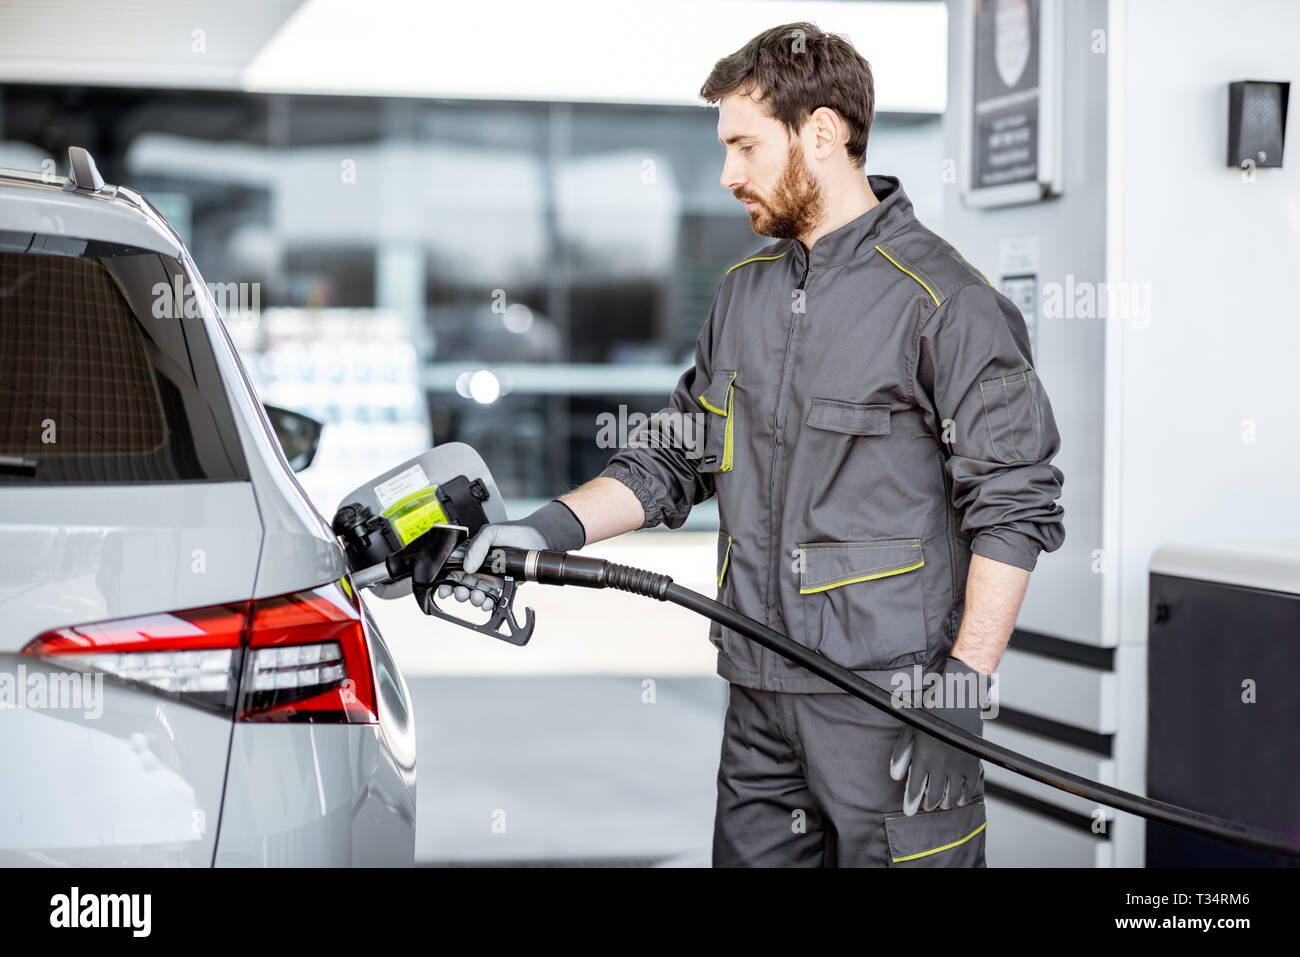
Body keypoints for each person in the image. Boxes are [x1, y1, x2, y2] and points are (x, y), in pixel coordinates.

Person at [437, 21, 1065, 867]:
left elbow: (1014, 505)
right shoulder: (743, 295)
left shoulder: (945, 302)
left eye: (744, 146)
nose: (728, 175)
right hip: (760, 699)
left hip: (889, 703)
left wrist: (961, 685)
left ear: (822, 133)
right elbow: (672, 457)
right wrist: (541, 531)